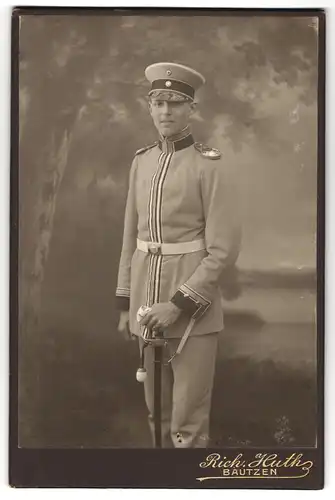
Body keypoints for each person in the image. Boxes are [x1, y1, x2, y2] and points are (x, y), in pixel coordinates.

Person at [116, 62, 241, 448]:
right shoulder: (141, 161)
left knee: (187, 424)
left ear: (192, 109)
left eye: (176, 103)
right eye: (159, 102)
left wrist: (178, 304)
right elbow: (129, 239)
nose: (166, 111)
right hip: (144, 303)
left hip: (192, 310)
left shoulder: (210, 165)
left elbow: (223, 250)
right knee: (157, 415)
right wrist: (125, 302)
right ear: (149, 107)